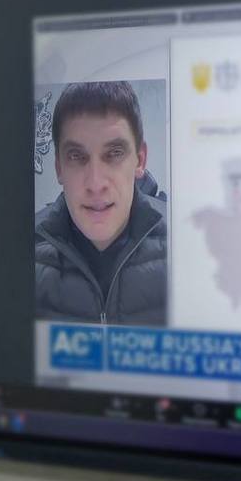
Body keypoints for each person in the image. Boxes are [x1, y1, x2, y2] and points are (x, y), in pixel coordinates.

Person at [34, 81, 167, 324]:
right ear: (59, 168)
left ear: (140, 160)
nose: (95, 183)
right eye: (76, 156)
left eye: (114, 153)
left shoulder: (186, 245)